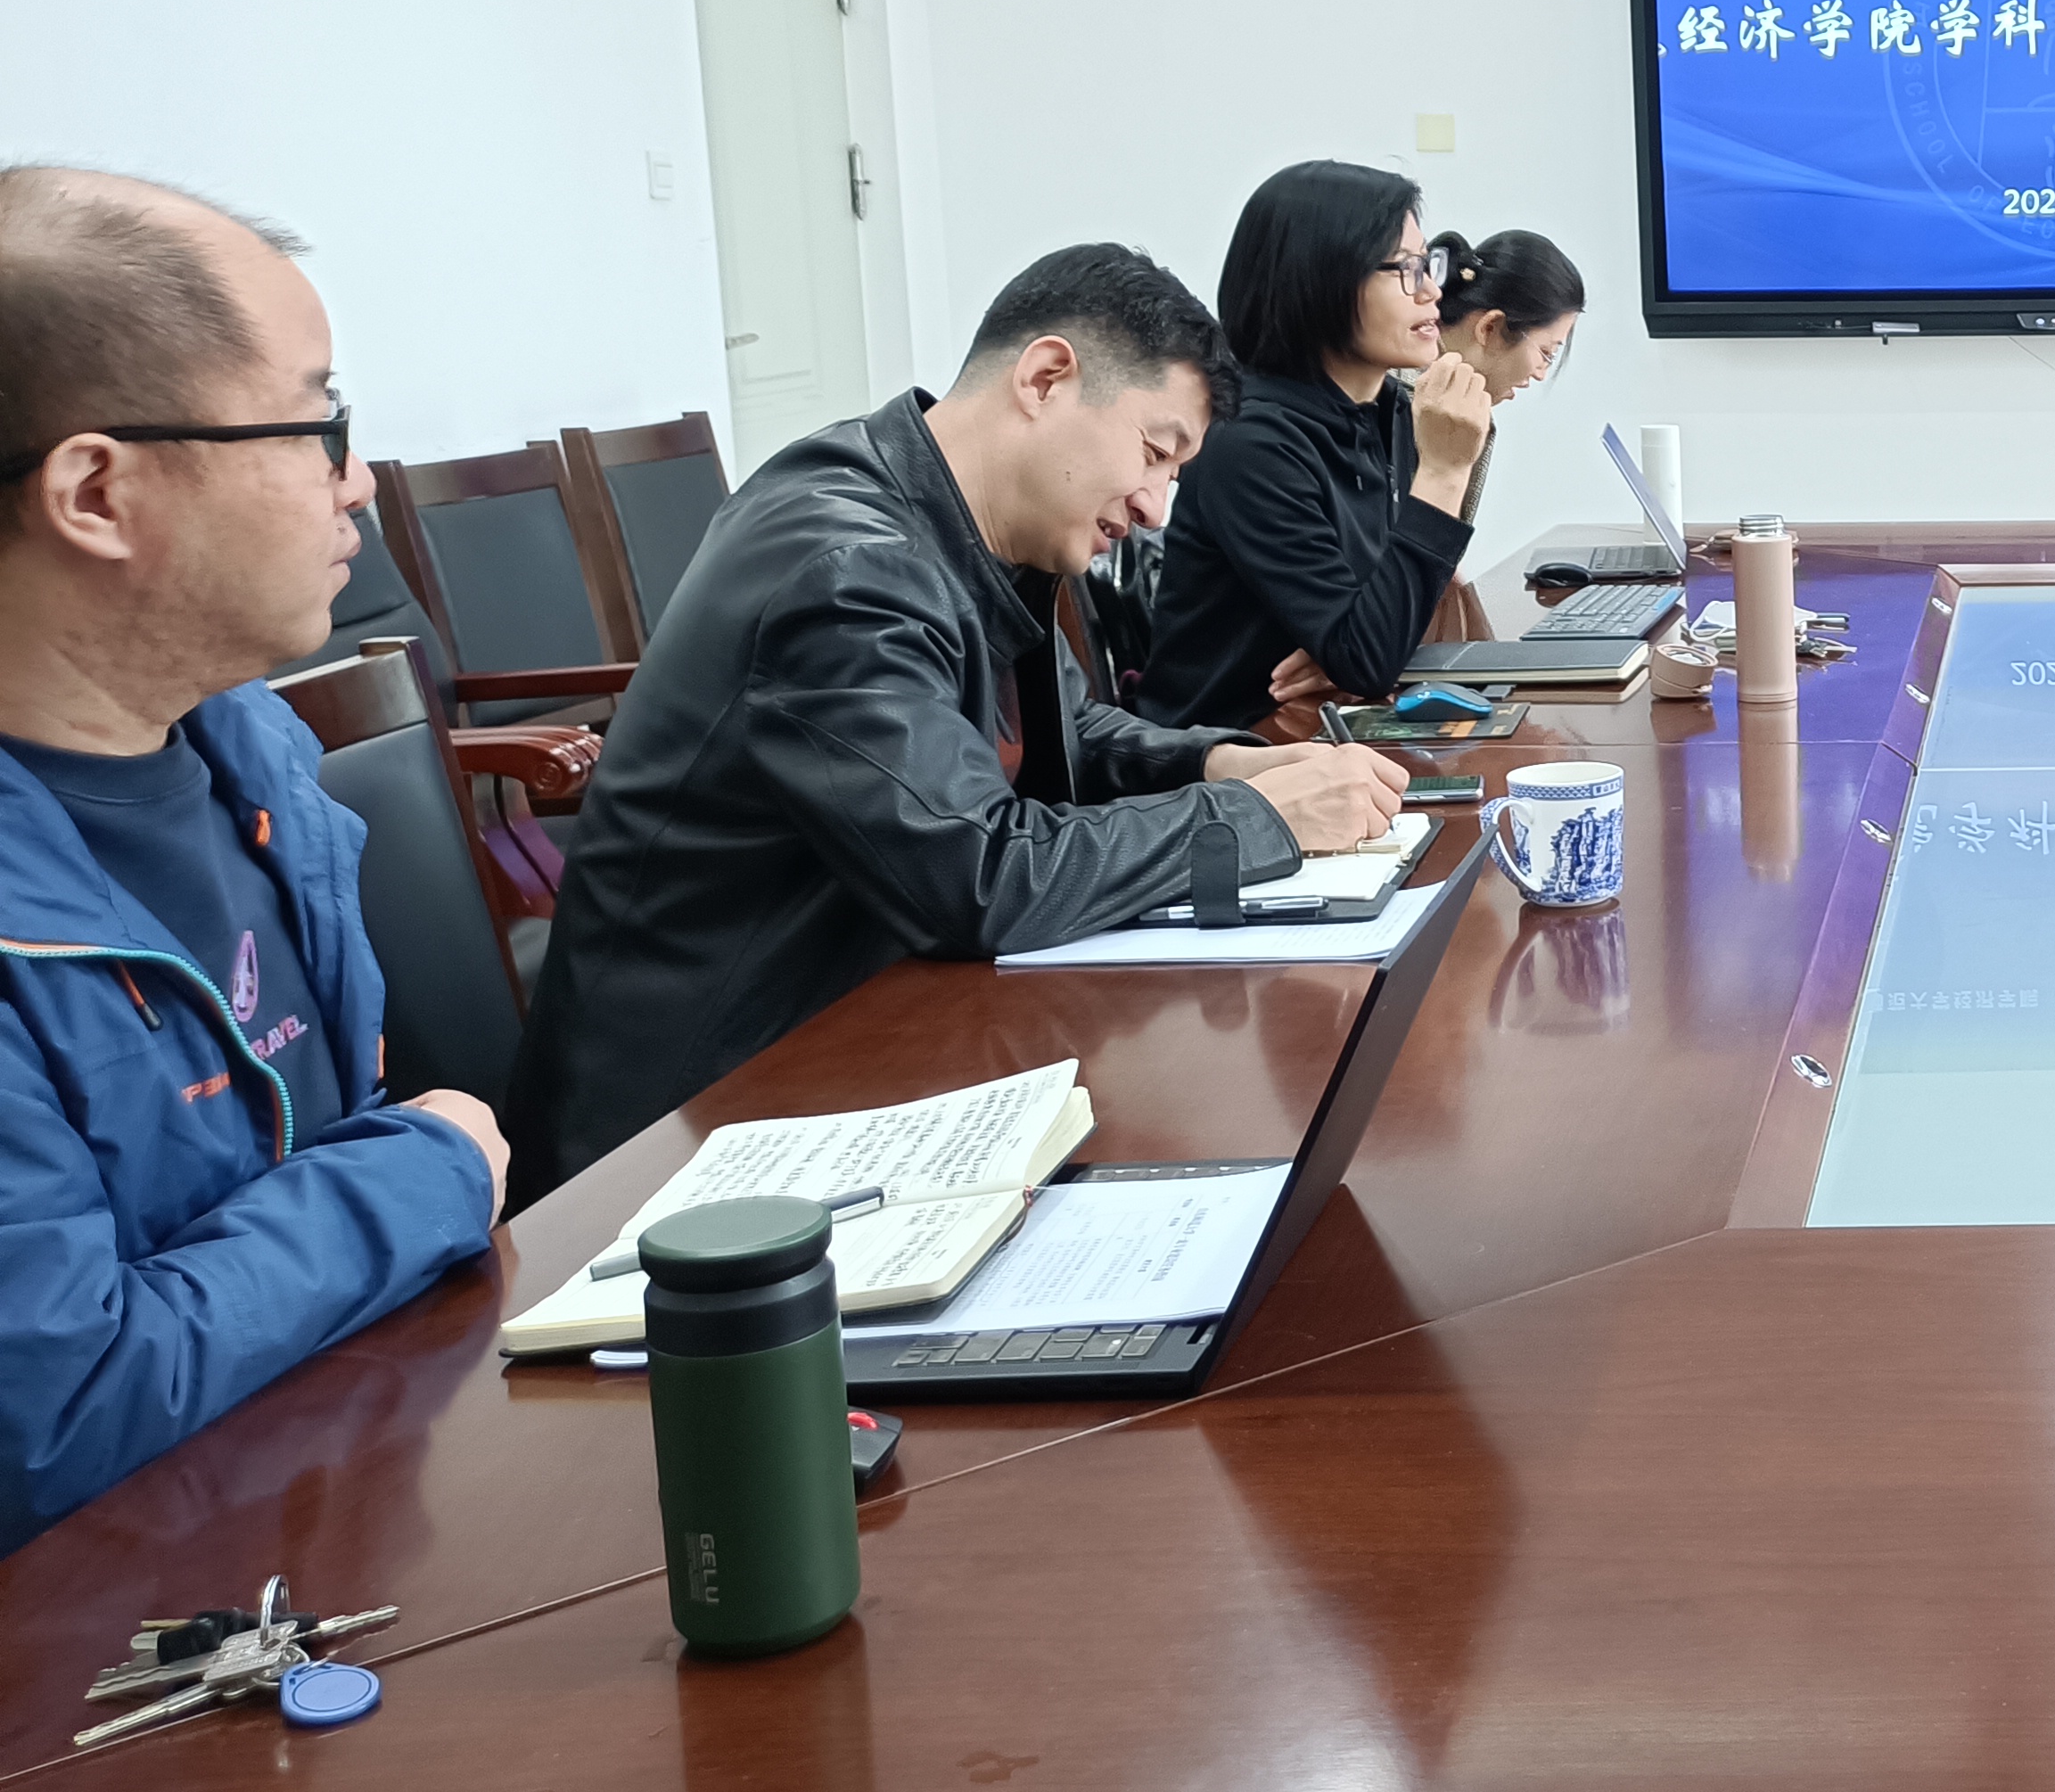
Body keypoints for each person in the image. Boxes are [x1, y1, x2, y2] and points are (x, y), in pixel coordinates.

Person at [505, 245, 1401, 1203]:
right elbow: (981, 872)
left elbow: (1068, 734)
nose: (1154, 509)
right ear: (1046, 378)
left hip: (845, 1041)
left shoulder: (954, 523)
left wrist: (1224, 765)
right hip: (679, 1136)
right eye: (1155, 452)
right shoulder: (846, 568)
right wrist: (1259, 822)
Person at [0, 167, 508, 1550]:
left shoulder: (254, 755)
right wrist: (426, 1172)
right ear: (96, 492)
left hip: (341, 1496)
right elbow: (63, 1415)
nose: (360, 481)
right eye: (317, 424)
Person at [1140, 163, 1497, 734]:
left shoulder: (1392, 411)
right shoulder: (1249, 442)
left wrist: (1355, 643)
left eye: (1426, 264)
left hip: (1336, 727)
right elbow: (1371, 653)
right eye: (1405, 269)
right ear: (1322, 280)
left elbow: (1382, 630)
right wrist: (1446, 471)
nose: (1432, 291)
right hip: (1234, 750)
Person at [1416, 225, 1584, 529]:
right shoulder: (1406, 405)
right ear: (1490, 327)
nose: (1541, 374)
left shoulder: (1449, 401)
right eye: (1546, 352)